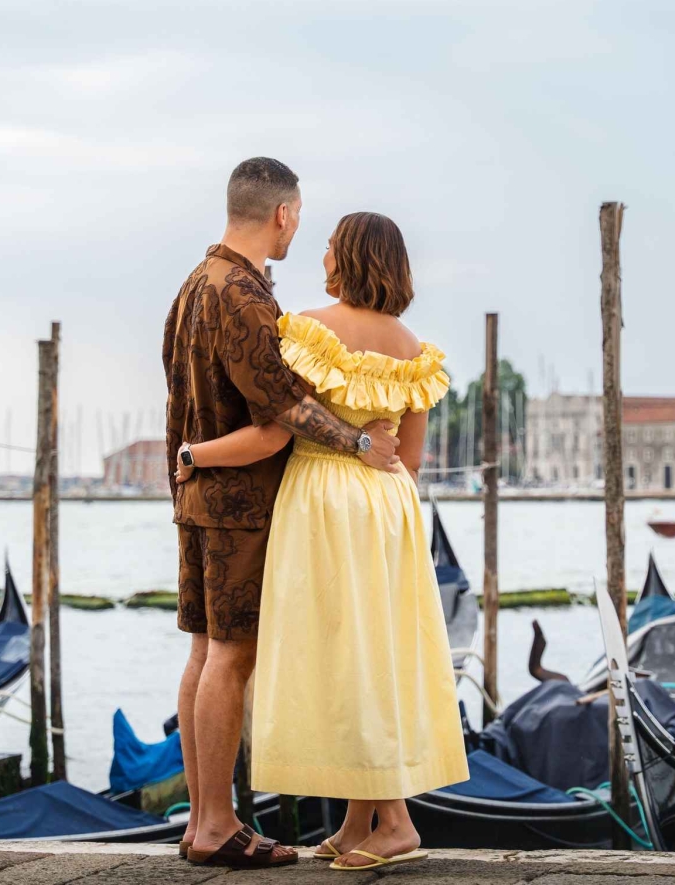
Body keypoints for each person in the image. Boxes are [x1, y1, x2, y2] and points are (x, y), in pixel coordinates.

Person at [177, 211, 468, 870]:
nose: (324, 254)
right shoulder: (415, 348)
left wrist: (197, 452)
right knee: (372, 649)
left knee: (339, 654)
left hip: (323, 498)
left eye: (333, 246)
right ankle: (356, 820)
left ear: (352, 258)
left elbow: (279, 429)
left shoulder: (309, 330)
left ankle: (393, 821)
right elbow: (411, 458)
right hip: (389, 505)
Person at [163, 160, 401, 869]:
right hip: (240, 504)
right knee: (231, 656)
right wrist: (361, 442)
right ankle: (214, 823)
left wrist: (189, 464)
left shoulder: (191, 287)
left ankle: (203, 819)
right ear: (285, 214)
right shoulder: (242, 294)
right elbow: (282, 412)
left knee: (205, 650)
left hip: (197, 496)